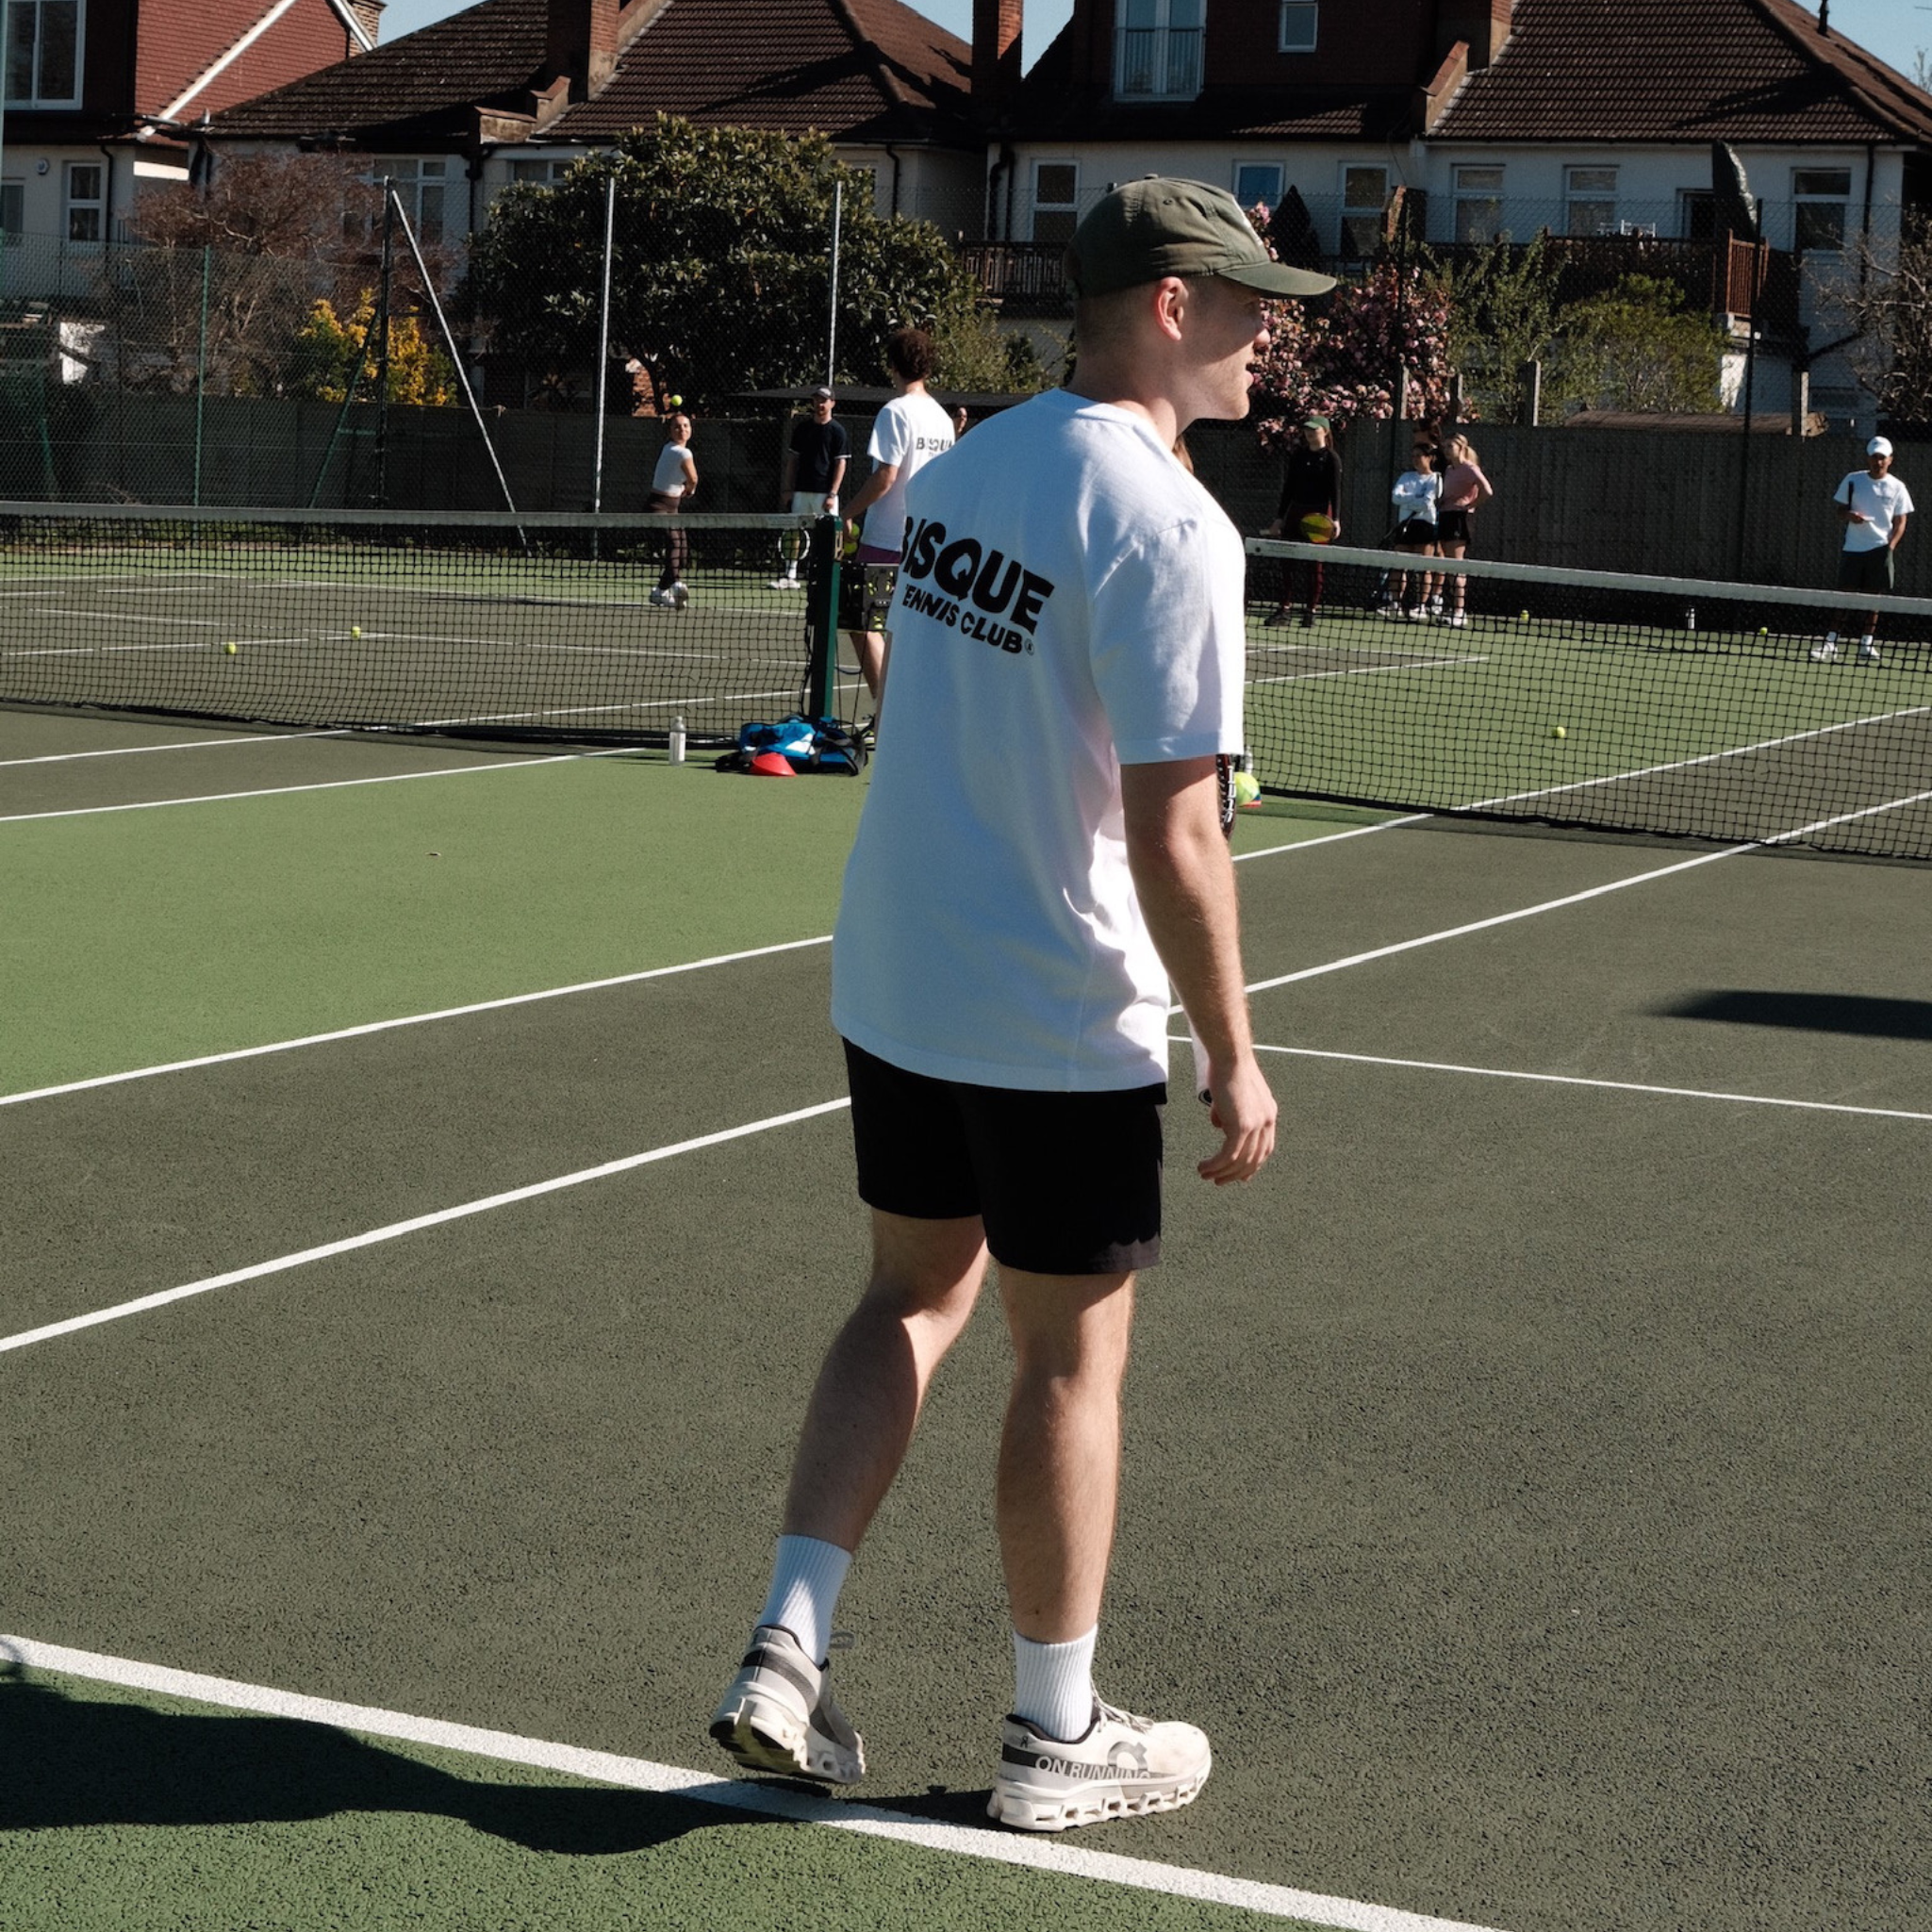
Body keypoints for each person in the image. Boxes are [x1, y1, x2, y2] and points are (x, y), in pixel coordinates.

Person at [709, 176, 1327, 1835]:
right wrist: (1235, 1048)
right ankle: (1055, 1730)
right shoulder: (1172, 526)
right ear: (1169, 306)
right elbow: (1176, 823)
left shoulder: (968, 458)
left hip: (897, 970)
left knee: (903, 1297)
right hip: (1053, 1007)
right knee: (1067, 1357)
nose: (1272, 333)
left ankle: (787, 1639)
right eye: (1249, 302)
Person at [838, 326, 955, 702]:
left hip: (887, 540)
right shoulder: (940, 417)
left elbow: (885, 476)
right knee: (906, 633)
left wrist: (845, 514)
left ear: (892, 365)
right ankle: (906, 711)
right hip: (928, 546)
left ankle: (887, 713)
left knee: (858, 622)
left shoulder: (895, 412)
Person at [1812, 436, 1912, 665]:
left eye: (1882, 458)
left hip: (1880, 550)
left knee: (1873, 598)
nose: (1878, 462)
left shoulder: (1897, 487)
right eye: (1874, 457)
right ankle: (1831, 642)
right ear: (1868, 458)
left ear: (1890, 460)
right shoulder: (1852, 480)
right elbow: (1840, 511)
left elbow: (1901, 521)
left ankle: (1866, 643)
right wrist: (1849, 516)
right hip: (1853, 548)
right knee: (1845, 596)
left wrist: (1891, 546)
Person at [1263, 415, 1342, 627]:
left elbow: (1335, 492)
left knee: (1314, 565)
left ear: (1324, 431)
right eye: (1307, 429)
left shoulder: (1332, 459)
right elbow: (1288, 489)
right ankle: (1284, 610)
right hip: (1296, 513)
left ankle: (1311, 611)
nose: (1309, 433)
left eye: (1314, 429)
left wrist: (1335, 519)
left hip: (1319, 516)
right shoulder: (1298, 456)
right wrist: (1280, 518)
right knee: (1287, 561)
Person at [772, 387, 849, 590]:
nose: (819, 404)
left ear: (832, 403)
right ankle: (790, 575)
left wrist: (833, 493)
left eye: (824, 400)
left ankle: (831, 576)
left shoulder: (838, 431)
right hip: (801, 491)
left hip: (826, 494)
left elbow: (841, 464)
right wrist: (788, 489)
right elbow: (792, 461)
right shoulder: (802, 429)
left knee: (831, 535)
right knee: (793, 532)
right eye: (816, 400)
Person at [1434, 433, 1494, 629]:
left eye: (1450, 446)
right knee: (1448, 566)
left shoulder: (1470, 468)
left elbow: (1487, 491)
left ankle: (1460, 612)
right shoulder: (1450, 470)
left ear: (1461, 447)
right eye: (1446, 447)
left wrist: (1469, 506)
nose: (1447, 450)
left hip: (1460, 520)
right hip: (1445, 517)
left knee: (1456, 566)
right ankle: (1453, 609)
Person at [1383, 436, 1441, 620]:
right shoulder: (1405, 477)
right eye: (1413, 456)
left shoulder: (1436, 478)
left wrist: (1409, 500)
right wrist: (1415, 500)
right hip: (1405, 526)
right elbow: (1395, 498)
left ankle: (1421, 607)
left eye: (1419, 456)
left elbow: (1427, 503)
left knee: (1424, 568)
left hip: (1426, 526)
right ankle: (1395, 604)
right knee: (1399, 565)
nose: (1415, 459)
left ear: (1429, 458)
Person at [649, 413, 697, 609]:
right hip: (657, 507)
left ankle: (659, 592)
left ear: (691, 430)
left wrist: (684, 490)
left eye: (685, 426)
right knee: (674, 543)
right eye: (677, 427)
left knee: (681, 550)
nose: (682, 430)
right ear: (670, 431)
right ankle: (677, 584)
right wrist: (690, 490)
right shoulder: (681, 452)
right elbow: (693, 479)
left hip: (673, 509)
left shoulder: (668, 448)